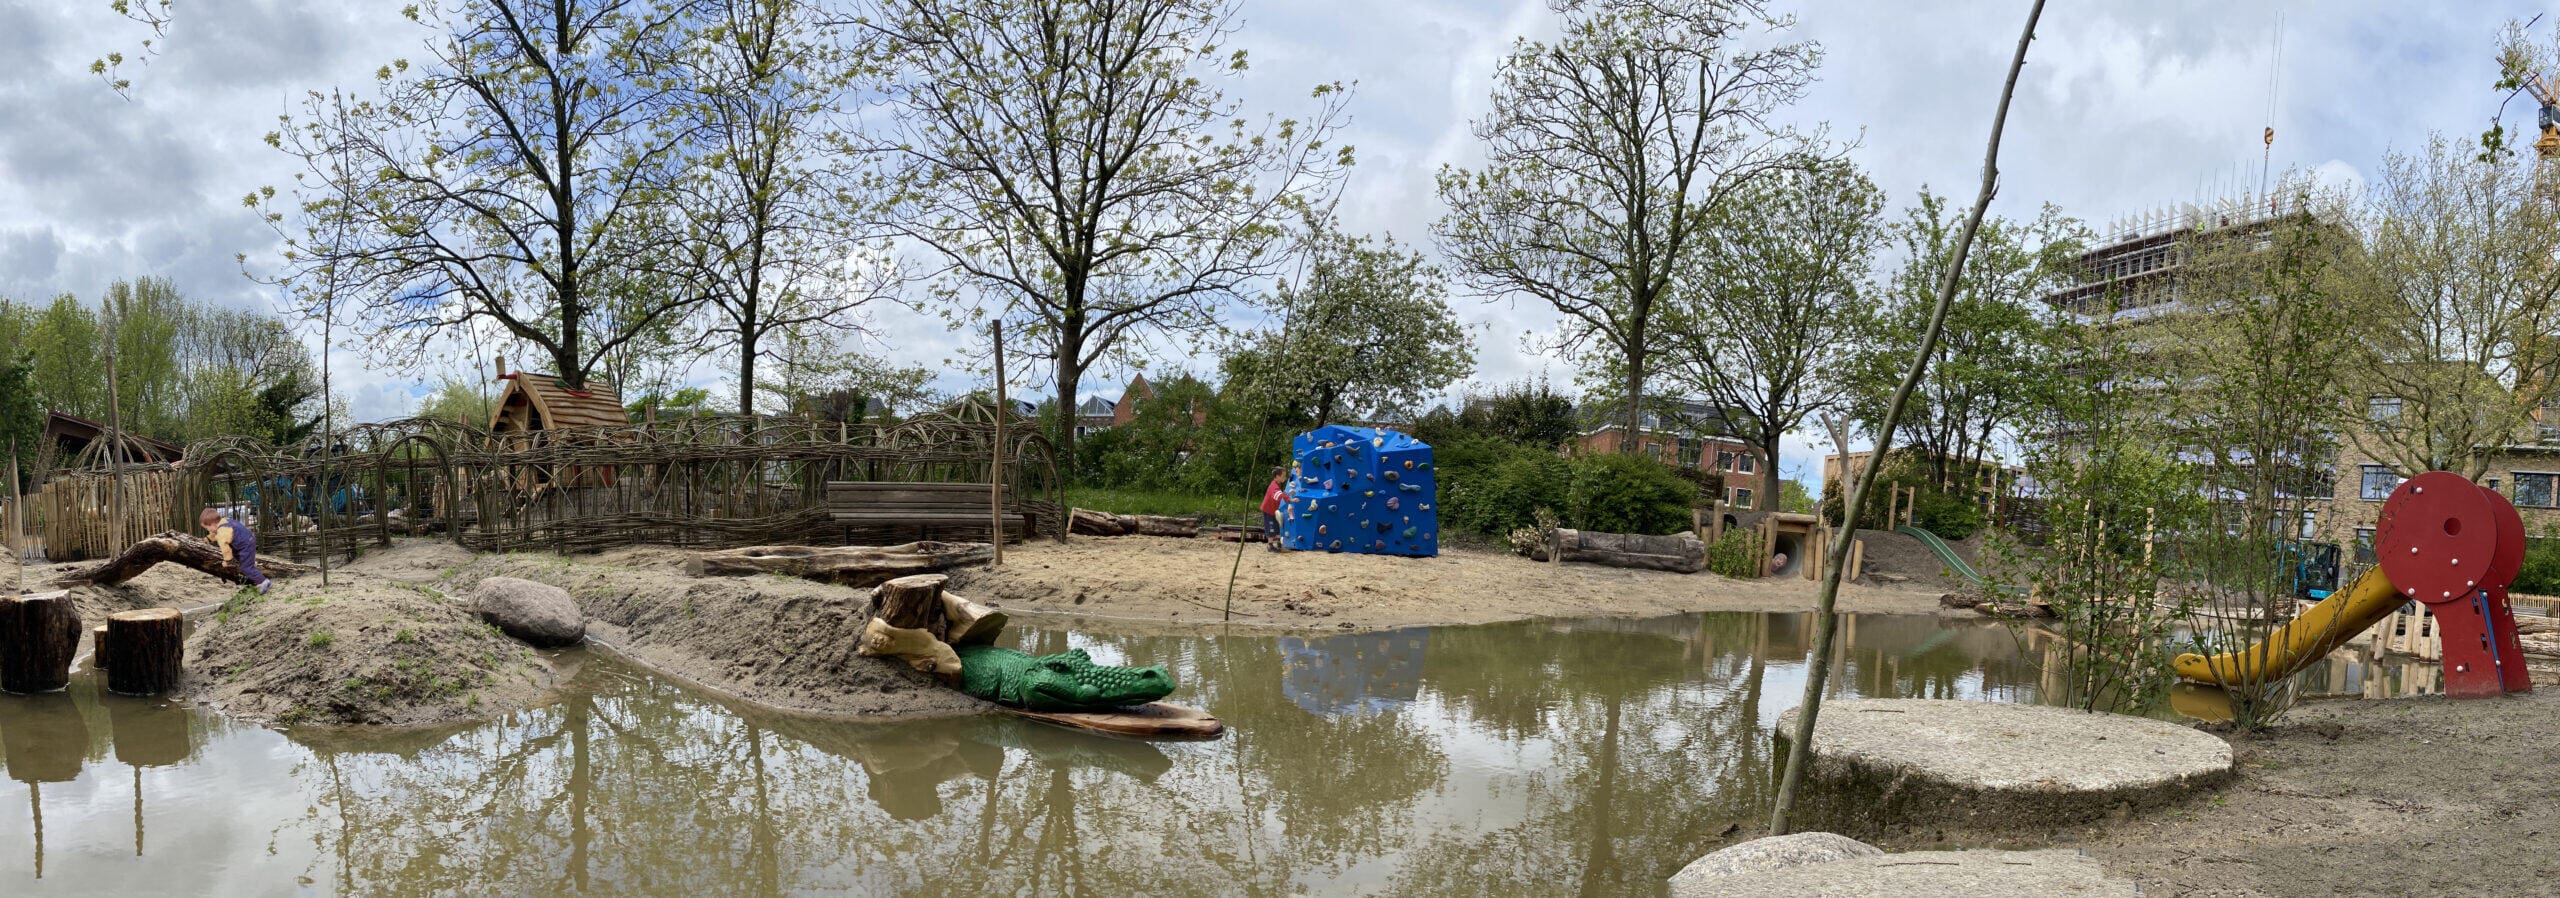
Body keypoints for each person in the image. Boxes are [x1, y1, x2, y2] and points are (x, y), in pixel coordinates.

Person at [201, 507, 270, 594]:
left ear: (213, 524)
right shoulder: (224, 521)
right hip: (246, 541)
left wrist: (227, 560)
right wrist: (208, 538)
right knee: (238, 557)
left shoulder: (222, 531)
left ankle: (263, 582)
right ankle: (250, 563)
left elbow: (225, 548)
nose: (208, 530)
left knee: (246, 567)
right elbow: (215, 533)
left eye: (207, 528)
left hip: (245, 545)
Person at [1261, 466, 1287, 551]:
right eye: (1283, 476)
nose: (1284, 478)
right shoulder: (1274, 485)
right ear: (1277, 476)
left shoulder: (1278, 484)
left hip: (1274, 510)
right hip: (1269, 510)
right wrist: (1286, 497)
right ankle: (1270, 545)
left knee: (1277, 524)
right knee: (1270, 526)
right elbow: (1277, 495)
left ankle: (1278, 542)